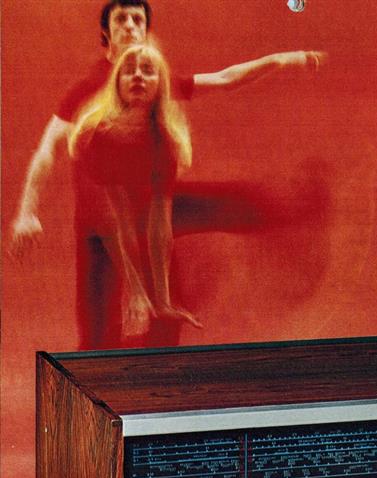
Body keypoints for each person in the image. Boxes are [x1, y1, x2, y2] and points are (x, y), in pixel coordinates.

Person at [8, 0, 328, 349]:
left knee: (170, 299)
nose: (130, 26)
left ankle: (290, 205)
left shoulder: (150, 78)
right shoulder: (88, 90)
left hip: (148, 208)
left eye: (137, 20)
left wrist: (281, 60)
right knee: (98, 338)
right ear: (106, 34)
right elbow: (46, 150)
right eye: (121, 20)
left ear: (146, 33)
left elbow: (224, 79)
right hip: (100, 224)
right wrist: (27, 211)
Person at [69, 43, 200, 337]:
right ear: (117, 83)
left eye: (147, 70)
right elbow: (113, 221)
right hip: (97, 220)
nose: (138, 76)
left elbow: (160, 228)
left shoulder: (165, 141)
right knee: (103, 317)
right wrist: (137, 291)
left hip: (124, 205)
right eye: (129, 71)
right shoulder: (96, 134)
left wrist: (162, 302)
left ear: (160, 85)